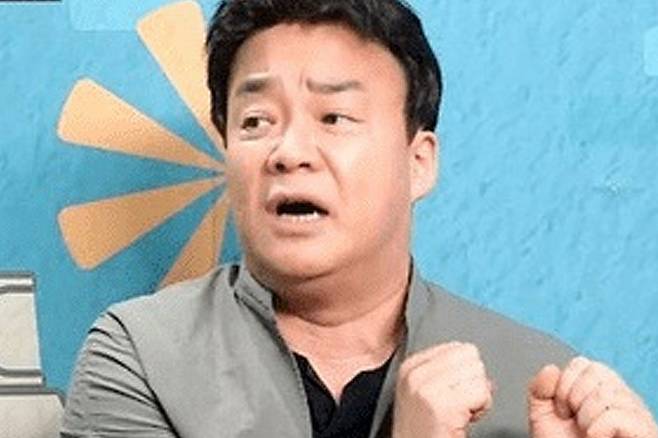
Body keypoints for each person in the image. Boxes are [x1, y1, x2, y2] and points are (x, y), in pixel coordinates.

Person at [61, 0, 657, 437]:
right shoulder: (141, 357)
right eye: (256, 121)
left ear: (418, 163)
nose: (288, 151)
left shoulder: (535, 379)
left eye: (334, 117)